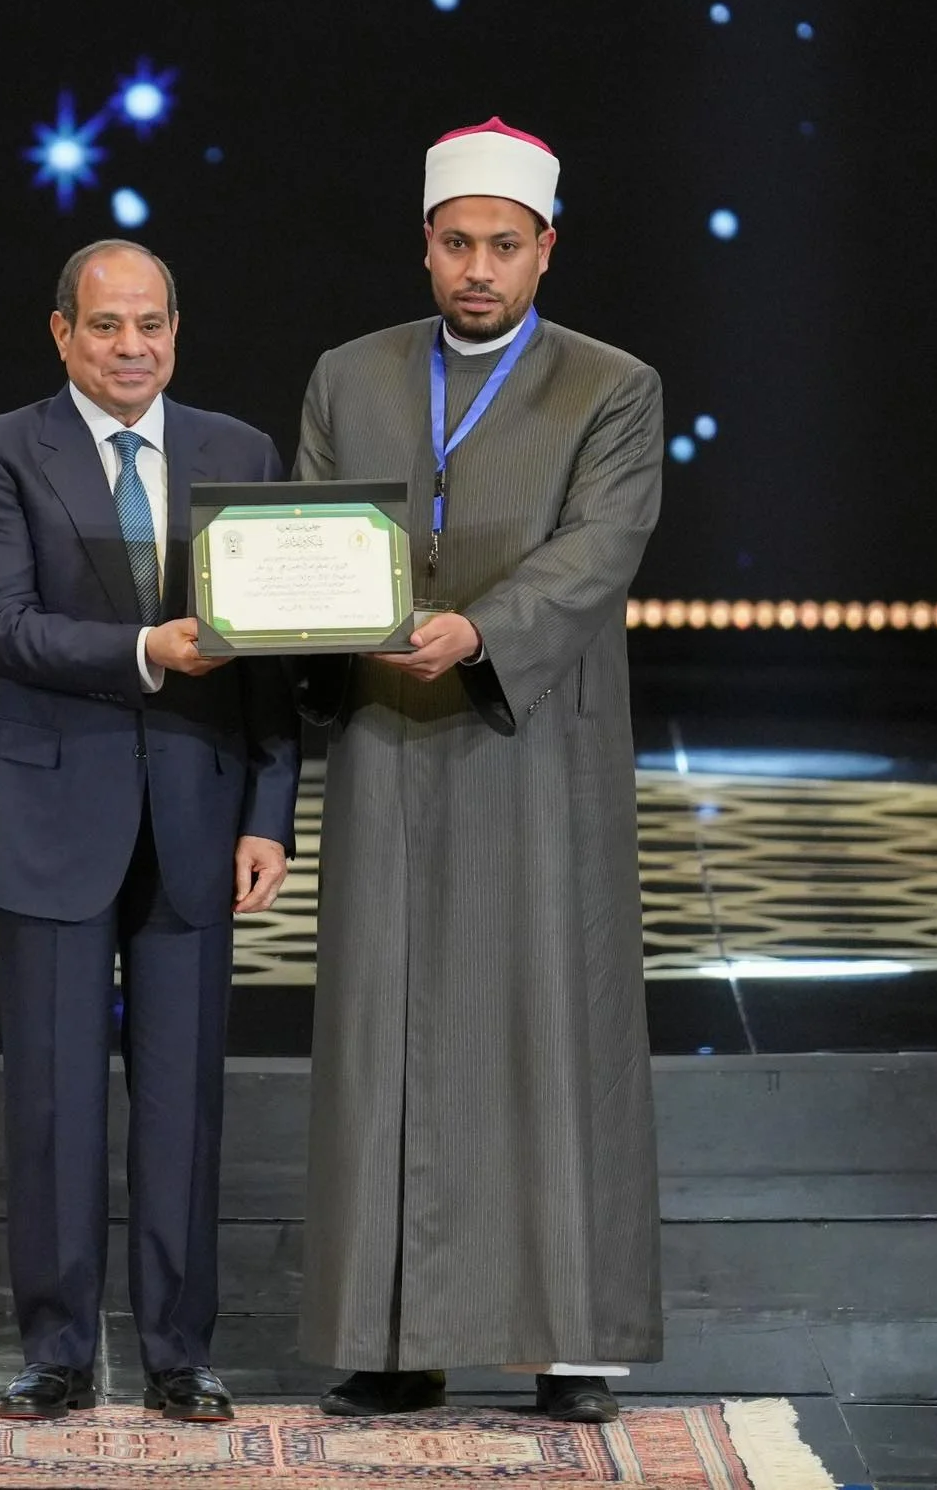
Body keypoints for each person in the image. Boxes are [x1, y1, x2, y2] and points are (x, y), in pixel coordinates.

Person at [293, 119, 664, 1424]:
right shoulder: (350, 376)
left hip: (533, 744)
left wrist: (478, 632)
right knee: (385, 1036)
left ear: (546, 249)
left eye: (504, 246)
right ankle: (389, 1340)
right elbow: (309, 531)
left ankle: (572, 1342)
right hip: (385, 738)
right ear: (426, 244)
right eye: (457, 243)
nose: (478, 269)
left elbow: (598, 549)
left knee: (550, 1029)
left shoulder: (610, 387)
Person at [0, 239, 300, 1426]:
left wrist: (269, 814)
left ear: (176, 331)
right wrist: (144, 650)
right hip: (53, 816)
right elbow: (1, 625)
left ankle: (178, 1353)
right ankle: (56, 1350)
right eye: (105, 326)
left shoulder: (239, 451)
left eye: (150, 324)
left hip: (199, 816)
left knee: (182, 1101)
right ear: (62, 334)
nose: (130, 347)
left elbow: (272, 659)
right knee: (51, 1100)